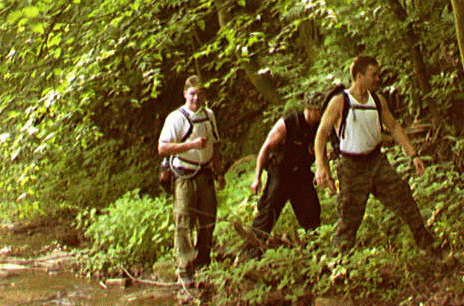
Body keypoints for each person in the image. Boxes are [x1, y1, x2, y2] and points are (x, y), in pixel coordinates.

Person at [314, 55, 437, 255]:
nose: (378, 79)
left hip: (377, 162)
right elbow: (321, 133)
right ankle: (339, 260)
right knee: (348, 218)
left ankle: (427, 245)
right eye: (373, 75)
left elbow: (394, 127)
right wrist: (321, 166)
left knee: (405, 200)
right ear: (359, 76)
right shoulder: (340, 102)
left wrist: (413, 154)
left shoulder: (378, 101)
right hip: (351, 167)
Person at [157, 75, 226, 286]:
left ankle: (203, 262)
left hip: (205, 174)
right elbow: (162, 148)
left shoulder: (209, 116)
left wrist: (219, 173)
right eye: (192, 94)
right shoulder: (176, 118)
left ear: (204, 95)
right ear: (185, 94)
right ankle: (184, 268)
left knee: (208, 219)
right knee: (184, 220)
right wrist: (191, 145)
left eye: (199, 94)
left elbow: (215, 146)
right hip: (184, 175)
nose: (196, 98)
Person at [241, 91, 325, 259]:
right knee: (267, 213)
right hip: (280, 174)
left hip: (301, 175)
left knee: (312, 211)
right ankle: (250, 253)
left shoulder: (319, 127)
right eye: (318, 110)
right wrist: (257, 178)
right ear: (309, 109)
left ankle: (314, 250)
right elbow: (265, 149)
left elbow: (322, 152)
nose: (321, 114)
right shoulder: (288, 124)